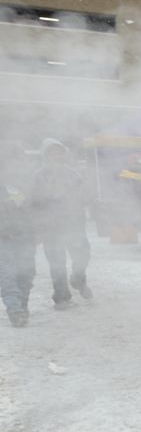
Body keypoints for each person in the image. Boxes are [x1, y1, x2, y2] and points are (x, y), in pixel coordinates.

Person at [29, 138, 92, 310]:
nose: (57, 155)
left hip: (74, 223)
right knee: (57, 263)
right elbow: (33, 201)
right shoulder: (38, 176)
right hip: (51, 226)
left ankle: (78, 279)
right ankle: (62, 297)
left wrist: (85, 198)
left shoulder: (73, 173)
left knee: (83, 255)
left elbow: (84, 193)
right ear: (45, 155)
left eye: (59, 152)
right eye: (52, 152)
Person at [0, 141, 36, 327]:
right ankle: (15, 309)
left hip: (26, 236)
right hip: (4, 238)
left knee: (27, 273)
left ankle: (22, 305)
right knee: (8, 274)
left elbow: (39, 208)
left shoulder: (28, 184)